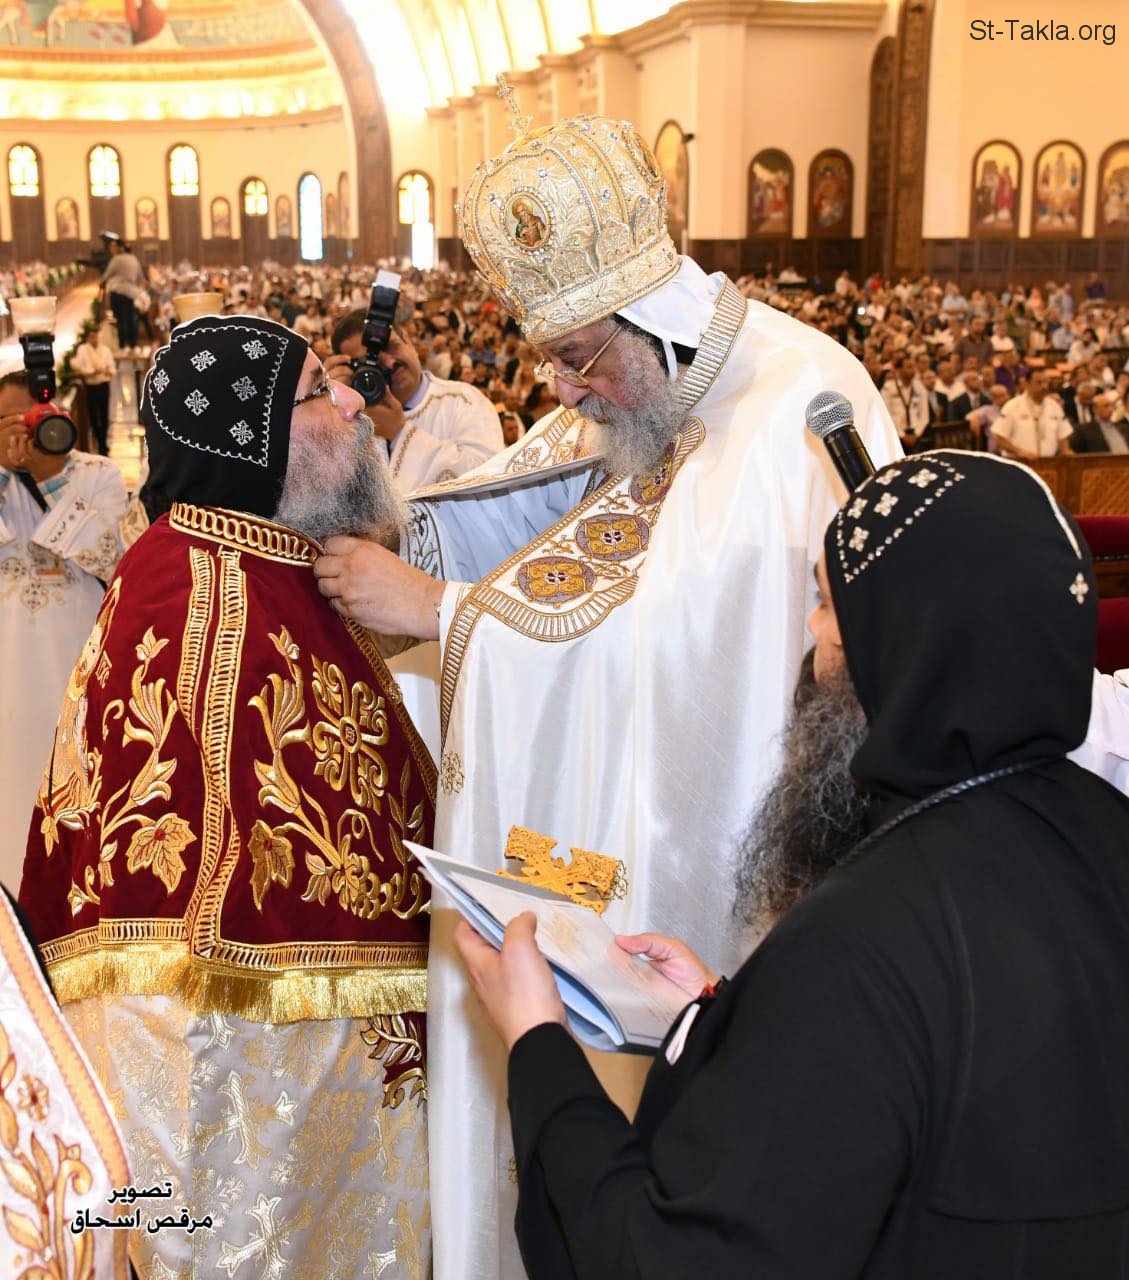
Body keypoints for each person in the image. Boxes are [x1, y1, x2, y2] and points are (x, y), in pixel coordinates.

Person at [313, 101, 901, 1279]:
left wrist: (443, 615)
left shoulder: (798, 406)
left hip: (728, 873)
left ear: (651, 314)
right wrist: (391, 519)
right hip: (599, 857)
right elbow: (539, 515)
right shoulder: (644, 388)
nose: (566, 392)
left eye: (579, 358)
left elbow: (703, 654)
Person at [456, 451, 1129, 1279]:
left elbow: (677, 1261)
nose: (812, 631)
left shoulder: (859, 938)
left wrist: (537, 1042)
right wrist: (721, 1017)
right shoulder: (1100, 824)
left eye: (828, 603)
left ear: (904, 638)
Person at [19, 315, 435, 1278]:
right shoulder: (202, 589)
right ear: (254, 440)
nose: (352, 401)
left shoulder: (250, 556)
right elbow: (210, 950)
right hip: (240, 1103)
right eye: (319, 389)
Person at [0, 369, 142, 891]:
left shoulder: (96, 473)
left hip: (77, 663)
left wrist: (49, 479)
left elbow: (115, 559)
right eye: (9, 423)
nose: (24, 433)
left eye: (32, 419)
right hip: (9, 669)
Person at [327, 310, 503, 491]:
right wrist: (328, 408)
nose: (389, 363)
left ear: (408, 341)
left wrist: (400, 432)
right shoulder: (348, 421)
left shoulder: (464, 401)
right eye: (370, 361)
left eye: (391, 347)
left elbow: (489, 480)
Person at [70, 320, 117, 455]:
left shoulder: (105, 350)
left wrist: (108, 371)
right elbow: (79, 367)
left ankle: (103, 443)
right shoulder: (83, 350)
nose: (94, 339)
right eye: (91, 337)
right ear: (87, 338)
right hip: (91, 387)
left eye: (96, 336)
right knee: (93, 416)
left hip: (103, 385)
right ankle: (99, 438)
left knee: (105, 415)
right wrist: (92, 372)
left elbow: (112, 368)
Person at [100, 236, 146, 358]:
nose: (111, 250)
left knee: (121, 320)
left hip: (118, 293)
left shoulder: (116, 259)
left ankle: (123, 347)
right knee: (131, 320)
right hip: (132, 294)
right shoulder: (133, 258)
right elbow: (141, 277)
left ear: (119, 248)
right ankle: (133, 346)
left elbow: (106, 276)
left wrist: (101, 282)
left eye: (113, 247)